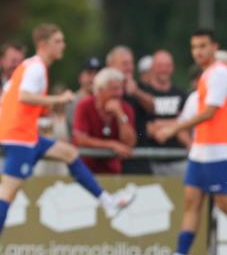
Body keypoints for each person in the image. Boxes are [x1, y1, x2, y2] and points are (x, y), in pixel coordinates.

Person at [0, 24, 135, 255]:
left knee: (69, 153)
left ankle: (107, 202)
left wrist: (36, 115)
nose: (63, 45)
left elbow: (10, 95)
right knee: (7, 195)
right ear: (44, 44)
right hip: (20, 138)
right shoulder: (37, 67)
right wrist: (58, 99)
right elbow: (24, 96)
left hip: (26, 134)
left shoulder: (31, 65)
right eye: (58, 41)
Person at [153, 30, 227, 255]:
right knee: (191, 202)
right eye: (194, 47)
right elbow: (189, 116)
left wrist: (173, 129)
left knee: (223, 204)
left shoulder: (219, 73)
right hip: (199, 152)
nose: (198, 51)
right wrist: (166, 127)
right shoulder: (206, 76)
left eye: (203, 46)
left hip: (218, 151)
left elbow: (209, 113)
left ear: (214, 47)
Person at [71, 68, 137, 175]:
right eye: (114, 89)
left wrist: (120, 114)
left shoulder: (125, 108)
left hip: (112, 173)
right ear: (100, 90)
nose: (119, 93)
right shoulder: (84, 105)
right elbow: (80, 139)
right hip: (84, 170)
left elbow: (130, 142)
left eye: (121, 89)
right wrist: (111, 145)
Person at [106, 45, 155, 174]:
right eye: (125, 64)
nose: (129, 67)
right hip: (110, 158)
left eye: (131, 63)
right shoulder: (103, 88)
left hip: (138, 158)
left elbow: (153, 106)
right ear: (111, 66)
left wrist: (136, 92)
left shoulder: (140, 87)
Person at [139, 50, 188, 177]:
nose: (164, 69)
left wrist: (159, 124)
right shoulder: (143, 93)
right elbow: (146, 128)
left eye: (167, 65)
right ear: (152, 68)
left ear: (173, 68)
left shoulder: (182, 94)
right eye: (160, 65)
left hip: (178, 161)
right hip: (149, 162)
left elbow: (188, 125)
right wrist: (176, 124)